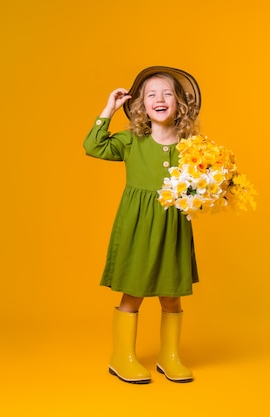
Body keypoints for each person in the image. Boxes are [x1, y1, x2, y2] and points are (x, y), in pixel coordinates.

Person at [83, 66, 201, 384]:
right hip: (138, 225)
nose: (159, 99)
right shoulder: (132, 140)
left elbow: (201, 182)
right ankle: (121, 356)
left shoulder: (191, 145)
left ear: (180, 103)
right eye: (151, 95)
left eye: (167, 94)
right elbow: (93, 146)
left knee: (171, 294)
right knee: (133, 293)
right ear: (141, 106)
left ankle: (169, 357)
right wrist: (108, 109)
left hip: (172, 227)